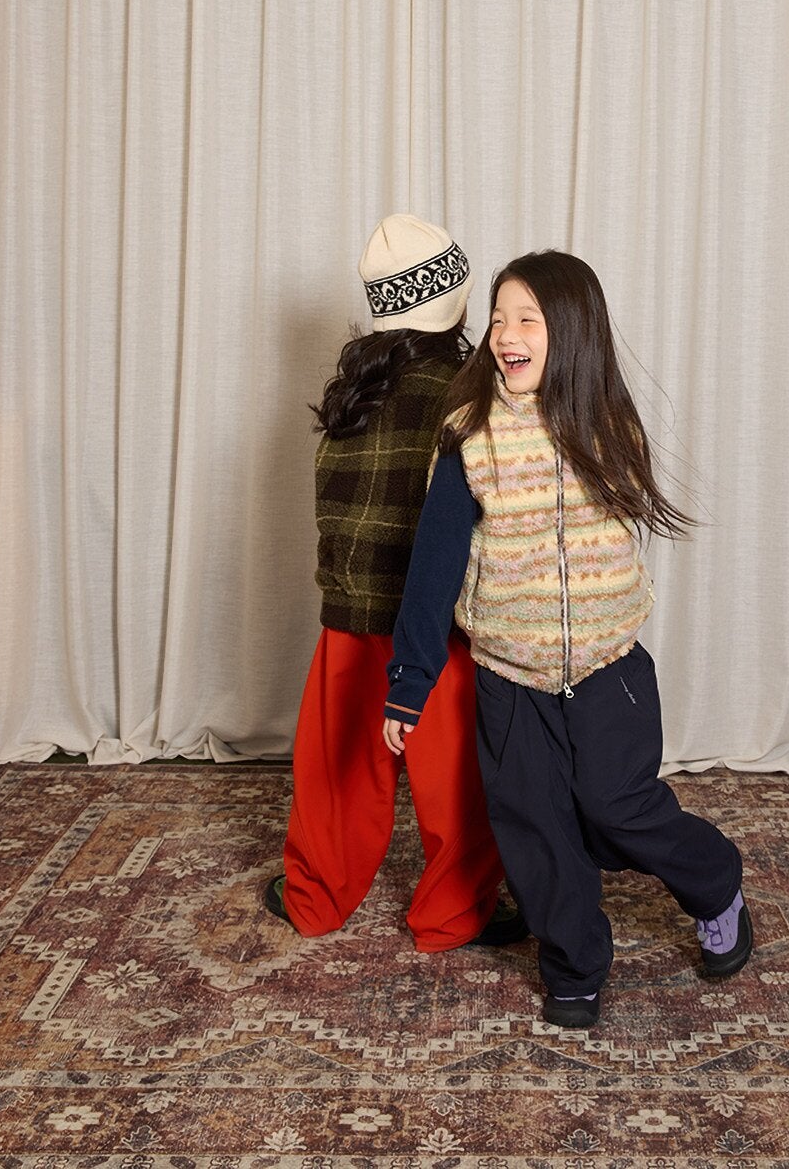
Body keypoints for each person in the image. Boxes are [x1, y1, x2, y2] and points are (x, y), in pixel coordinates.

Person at [383, 250, 750, 1026]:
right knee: (536, 826)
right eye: (497, 318)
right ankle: (574, 962)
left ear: (572, 332)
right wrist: (409, 681)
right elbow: (434, 566)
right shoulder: (469, 436)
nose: (505, 334)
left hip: (609, 668)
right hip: (510, 677)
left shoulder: (607, 425)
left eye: (528, 318)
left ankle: (716, 883)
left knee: (617, 809)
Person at [267, 214, 519, 951]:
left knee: (335, 774)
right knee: (458, 781)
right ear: (458, 303)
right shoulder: (471, 393)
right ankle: (453, 913)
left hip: (349, 613)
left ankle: (316, 896)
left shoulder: (354, 388)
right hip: (433, 624)